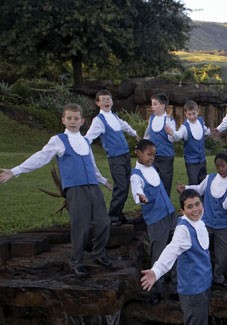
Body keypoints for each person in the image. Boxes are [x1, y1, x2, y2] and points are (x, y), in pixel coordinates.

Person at [0, 103, 113, 276]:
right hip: (75, 188)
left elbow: (92, 165)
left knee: (103, 222)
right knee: (80, 226)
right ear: (63, 120)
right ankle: (76, 261)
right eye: (69, 118)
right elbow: (40, 157)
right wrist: (15, 171)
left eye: (76, 118)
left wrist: (103, 181)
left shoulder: (85, 141)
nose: (73, 121)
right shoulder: (59, 140)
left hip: (93, 186)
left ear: (82, 121)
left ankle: (99, 254)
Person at [140, 189, 215, 325]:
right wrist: (156, 271)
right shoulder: (183, 230)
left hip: (203, 287)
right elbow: (170, 251)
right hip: (193, 293)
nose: (195, 209)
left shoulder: (199, 221)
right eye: (189, 207)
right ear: (182, 210)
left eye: (197, 204)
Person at [177, 153, 227, 288]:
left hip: (221, 224)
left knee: (223, 252)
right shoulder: (209, 178)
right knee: (198, 247)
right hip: (206, 222)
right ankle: (201, 276)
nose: (221, 169)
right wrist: (185, 188)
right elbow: (199, 189)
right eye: (218, 166)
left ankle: (218, 277)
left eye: (223, 166)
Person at [131, 139, 177, 304]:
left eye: (154, 155)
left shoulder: (152, 169)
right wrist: (140, 197)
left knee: (177, 247)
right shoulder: (136, 175)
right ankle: (156, 290)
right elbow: (137, 190)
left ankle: (175, 285)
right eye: (149, 155)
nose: (152, 158)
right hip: (157, 220)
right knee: (158, 254)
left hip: (171, 214)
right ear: (139, 153)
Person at [84, 89, 138, 225]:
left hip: (125, 155)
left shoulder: (113, 116)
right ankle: (112, 217)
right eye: (103, 100)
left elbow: (124, 125)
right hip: (115, 158)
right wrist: (80, 146)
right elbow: (88, 138)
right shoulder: (99, 120)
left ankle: (118, 214)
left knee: (125, 186)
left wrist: (135, 134)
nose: (106, 101)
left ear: (112, 101)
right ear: (98, 103)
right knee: (121, 187)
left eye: (108, 99)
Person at [143, 93, 176, 197]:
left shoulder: (169, 120)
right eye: (152, 104)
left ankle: (165, 209)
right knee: (152, 183)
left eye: (155, 104)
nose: (152, 107)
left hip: (166, 157)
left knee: (165, 184)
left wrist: (170, 131)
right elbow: (147, 135)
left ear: (162, 106)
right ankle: (154, 207)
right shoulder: (151, 118)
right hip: (153, 157)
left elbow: (173, 138)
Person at [174, 100, 210, 185]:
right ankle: (193, 198)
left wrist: (211, 132)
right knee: (193, 182)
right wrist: (172, 133)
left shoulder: (201, 121)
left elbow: (204, 130)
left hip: (202, 159)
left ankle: (202, 198)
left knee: (203, 181)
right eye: (189, 114)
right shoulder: (184, 127)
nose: (192, 116)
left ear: (198, 111)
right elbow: (178, 136)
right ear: (185, 114)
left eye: (194, 113)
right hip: (191, 161)